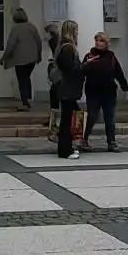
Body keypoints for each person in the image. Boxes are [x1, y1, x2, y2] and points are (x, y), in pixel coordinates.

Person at [81, 32, 128, 152]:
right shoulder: (90, 56)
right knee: (92, 116)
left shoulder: (111, 56)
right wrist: (88, 64)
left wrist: (125, 87)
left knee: (110, 117)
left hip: (109, 92)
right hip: (93, 91)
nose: (98, 42)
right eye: (97, 40)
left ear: (106, 43)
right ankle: (84, 139)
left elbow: (118, 72)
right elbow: (81, 72)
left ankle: (111, 141)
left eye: (101, 41)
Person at [0, 8, 43, 111]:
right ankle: (28, 99)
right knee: (27, 78)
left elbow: (11, 45)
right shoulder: (32, 27)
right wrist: (39, 56)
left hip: (20, 59)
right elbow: (39, 42)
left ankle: (25, 103)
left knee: (22, 80)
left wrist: (3, 58)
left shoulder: (16, 29)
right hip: (32, 58)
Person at [53, 20, 85, 160]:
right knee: (67, 119)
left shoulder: (62, 46)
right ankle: (65, 150)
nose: (78, 33)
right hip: (67, 88)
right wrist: (83, 67)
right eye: (76, 30)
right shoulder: (67, 48)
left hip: (66, 88)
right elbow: (70, 68)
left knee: (71, 116)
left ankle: (68, 146)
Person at [43, 22, 62, 110]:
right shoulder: (59, 40)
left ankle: (54, 112)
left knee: (54, 89)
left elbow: (54, 54)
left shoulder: (52, 41)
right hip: (56, 65)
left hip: (53, 64)